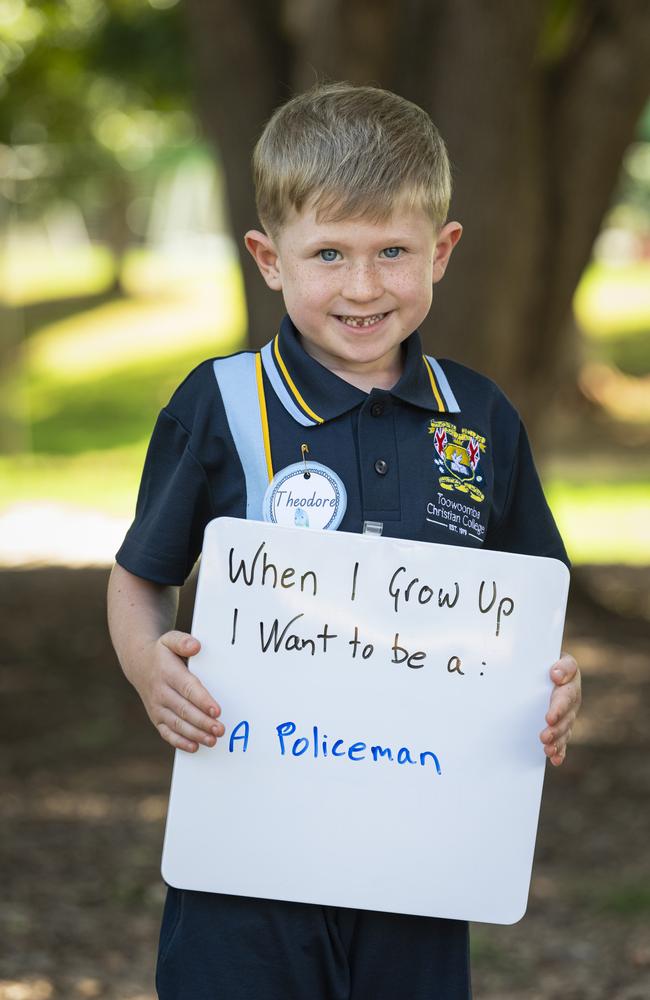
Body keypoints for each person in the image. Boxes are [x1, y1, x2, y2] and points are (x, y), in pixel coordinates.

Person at [107, 82, 582, 1000]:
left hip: (424, 852)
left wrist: (557, 685)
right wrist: (146, 666)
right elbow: (139, 580)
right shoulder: (221, 405)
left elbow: (535, 602)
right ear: (268, 258)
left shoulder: (478, 418)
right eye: (328, 253)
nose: (362, 287)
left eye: (392, 252)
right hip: (244, 851)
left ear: (441, 251)